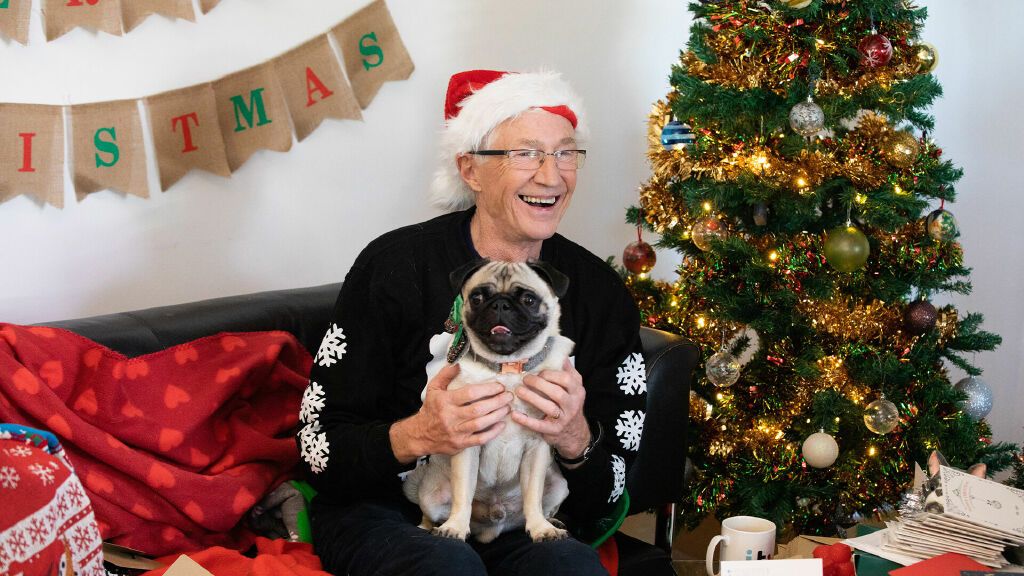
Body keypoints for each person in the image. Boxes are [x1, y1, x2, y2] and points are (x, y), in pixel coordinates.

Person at [297, 69, 648, 575]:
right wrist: (419, 434)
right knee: (445, 567)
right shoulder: (393, 266)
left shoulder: (600, 293)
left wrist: (573, 435)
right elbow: (317, 446)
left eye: (566, 153)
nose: (551, 176)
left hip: (522, 519)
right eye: (526, 153)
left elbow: (613, 485)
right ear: (470, 169)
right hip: (388, 514)